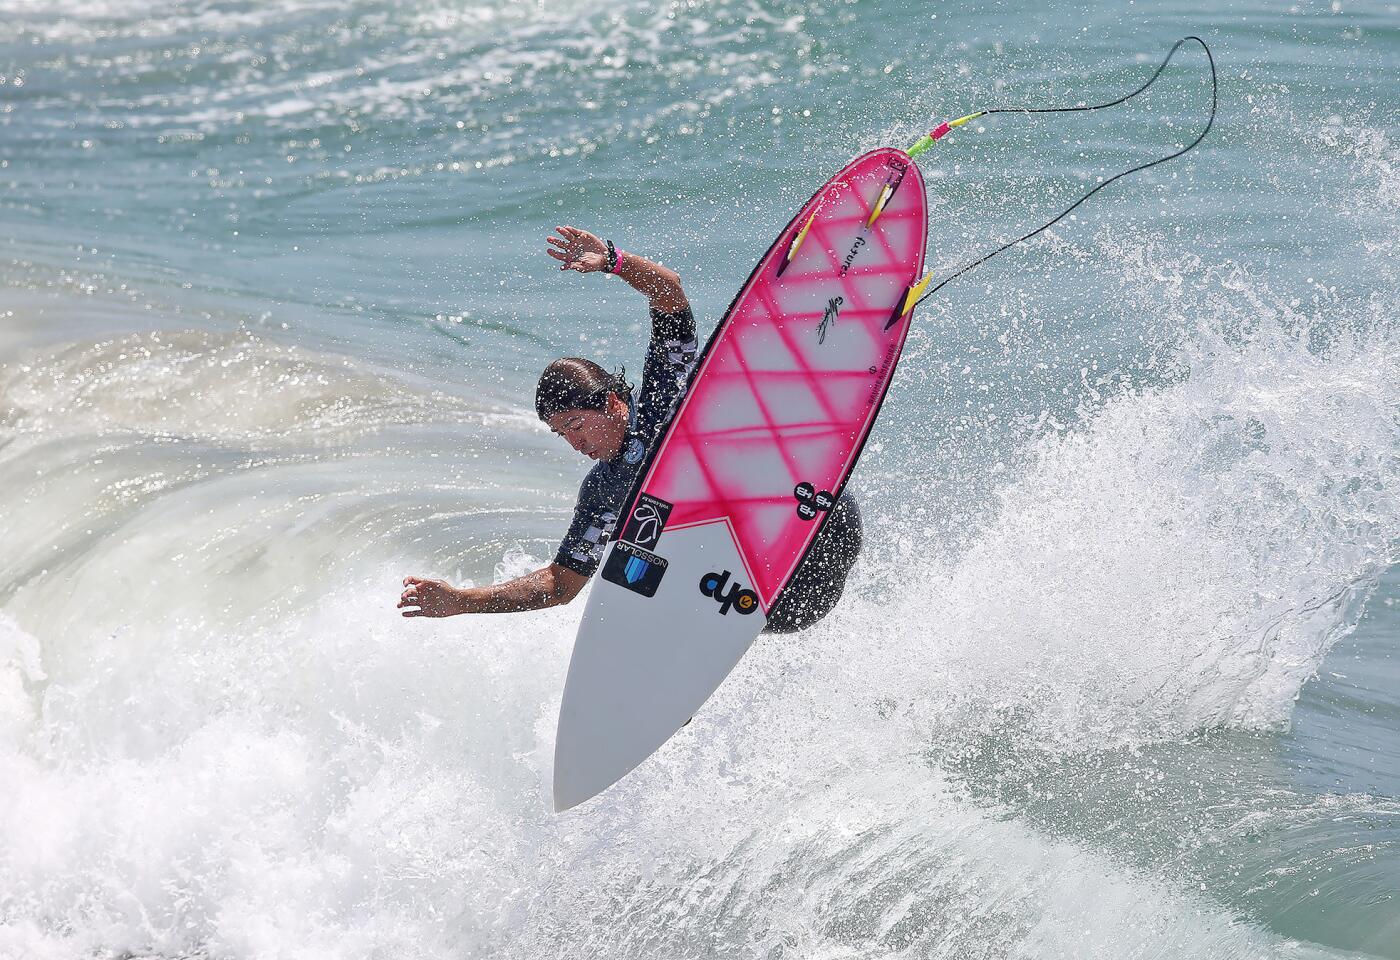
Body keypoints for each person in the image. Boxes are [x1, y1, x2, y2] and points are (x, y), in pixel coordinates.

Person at [399, 226, 862, 633]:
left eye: (577, 425)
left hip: (822, 529)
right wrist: (462, 601)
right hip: (767, 604)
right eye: (563, 436)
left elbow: (670, 294)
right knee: (642, 579)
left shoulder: (666, 396)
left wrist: (615, 263)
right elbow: (561, 583)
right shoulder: (604, 490)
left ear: (612, 401)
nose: (576, 444)